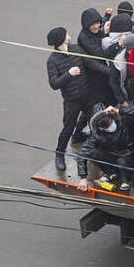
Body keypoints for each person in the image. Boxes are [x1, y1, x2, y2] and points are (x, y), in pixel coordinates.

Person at [46, 27, 93, 170]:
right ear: (61, 39)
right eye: (66, 34)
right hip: (72, 100)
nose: (68, 35)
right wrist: (69, 74)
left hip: (87, 94)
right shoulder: (52, 60)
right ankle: (59, 153)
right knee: (68, 127)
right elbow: (54, 84)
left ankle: (84, 141)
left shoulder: (76, 49)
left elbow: (90, 62)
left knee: (94, 121)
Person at [76, 104, 134, 193]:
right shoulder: (97, 134)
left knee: (122, 162)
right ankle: (111, 171)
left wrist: (119, 110)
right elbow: (83, 154)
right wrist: (83, 177)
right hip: (112, 154)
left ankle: (127, 178)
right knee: (94, 153)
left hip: (129, 155)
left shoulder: (124, 120)